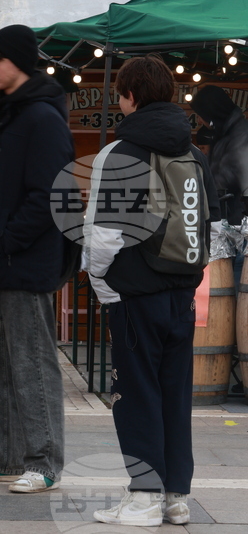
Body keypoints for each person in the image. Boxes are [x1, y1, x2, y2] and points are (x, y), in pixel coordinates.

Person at [87, 56, 219, 527]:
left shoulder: (121, 152)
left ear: (130, 96)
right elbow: (211, 224)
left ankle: (143, 497)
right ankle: (175, 496)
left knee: (136, 394)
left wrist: (100, 282)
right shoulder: (194, 152)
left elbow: (105, 234)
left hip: (134, 293)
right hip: (182, 292)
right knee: (173, 394)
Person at [0, 24, 74, 493]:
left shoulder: (41, 118)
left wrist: (7, 240)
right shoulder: (6, 116)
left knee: (31, 364)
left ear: (19, 61)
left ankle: (44, 462)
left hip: (21, 263)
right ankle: (3, 456)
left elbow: (49, 193)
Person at [189, 85, 248, 225]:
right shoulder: (225, 131)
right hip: (227, 215)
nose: (200, 121)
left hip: (237, 219)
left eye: (201, 115)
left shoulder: (239, 134)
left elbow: (233, 173)